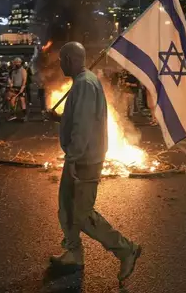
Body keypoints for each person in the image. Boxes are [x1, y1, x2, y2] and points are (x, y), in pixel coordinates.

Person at [48, 42, 141, 282]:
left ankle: (125, 248)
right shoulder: (82, 82)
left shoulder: (85, 84)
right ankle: (73, 254)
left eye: (61, 60)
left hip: (85, 160)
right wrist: (59, 119)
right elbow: (77, 119)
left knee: (82, 213)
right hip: (81, 157)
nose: (59, 64)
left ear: (69, 59)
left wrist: (72, 159)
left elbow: (83, 127)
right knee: (66, 207)